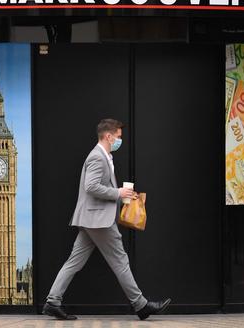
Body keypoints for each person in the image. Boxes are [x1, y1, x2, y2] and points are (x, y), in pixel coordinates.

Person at [43, 118, 171, 321]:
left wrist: (123, 195)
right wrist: (118, 192)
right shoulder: (97, 157)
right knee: (120, 261)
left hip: (92, 218)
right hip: (98, 219)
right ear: (108, 136)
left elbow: (98, 188)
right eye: (118, 137)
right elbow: (91, 187)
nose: (120, 140)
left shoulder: (104, 156)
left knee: (74, 262)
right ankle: (141, 305)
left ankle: (52, 301)